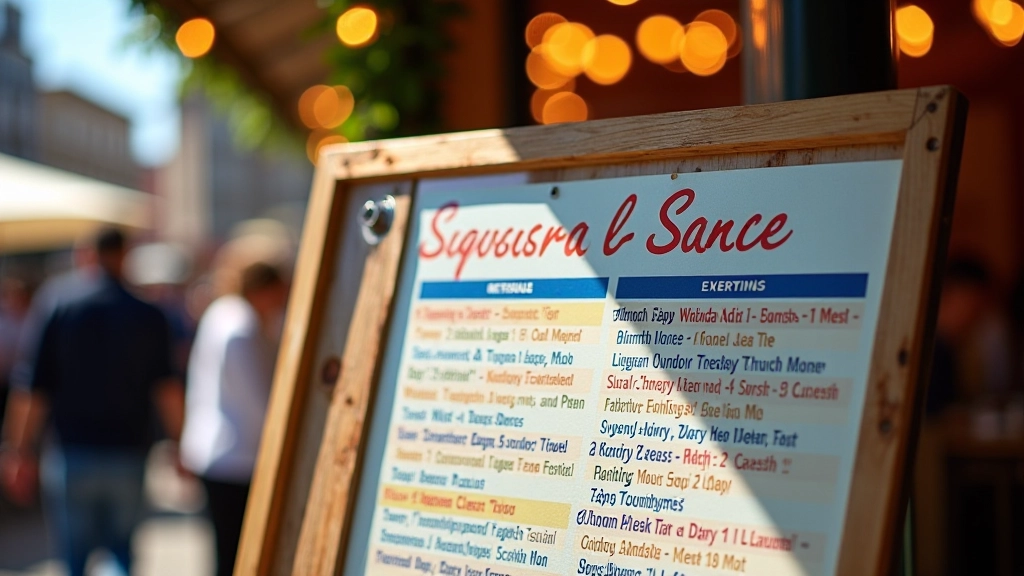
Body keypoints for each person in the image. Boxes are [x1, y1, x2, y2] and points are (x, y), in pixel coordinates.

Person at [0, 228, 184, 576]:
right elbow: (168, 390)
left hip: (73, 451)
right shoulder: (147, 313)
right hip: (128, 450)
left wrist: (18, 448)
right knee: (120, 553)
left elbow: (32, 390)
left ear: (86, 253)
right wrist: (178, 443)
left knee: (74, 558)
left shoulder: (57, 304)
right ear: (125, 255)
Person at [180, 259, 288, 576]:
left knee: (226, 552)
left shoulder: (222, 312)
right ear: (265, 290)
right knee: (236, 555)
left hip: (215, 451)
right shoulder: (241, 328)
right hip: (237, 456)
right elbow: (259, 401)